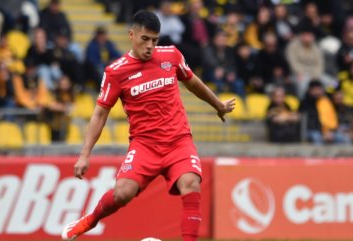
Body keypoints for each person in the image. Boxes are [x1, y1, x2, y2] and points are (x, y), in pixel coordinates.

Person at [61, 10, 234, 241]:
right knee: (123, 193)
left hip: (178, 141)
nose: (150, 45)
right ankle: (89, 221)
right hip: (145, 146)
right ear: (132, 35)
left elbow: (192, 82)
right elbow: (100, 114)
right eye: (145, 39)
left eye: (155, 40)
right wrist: (84, 155)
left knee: (191, 183)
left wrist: (218, 105)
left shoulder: (171, 56)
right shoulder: (116, 72)